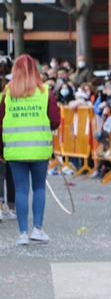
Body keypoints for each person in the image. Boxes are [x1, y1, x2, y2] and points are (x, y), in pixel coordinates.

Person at [0, 54, 61, 245]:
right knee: (39, 187)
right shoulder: (45, 92)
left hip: (15, 148)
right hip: (39, 147)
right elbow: (55, 120)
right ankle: (38, 229)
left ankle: (23, 234)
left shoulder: (6, 94)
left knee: (21, 190)